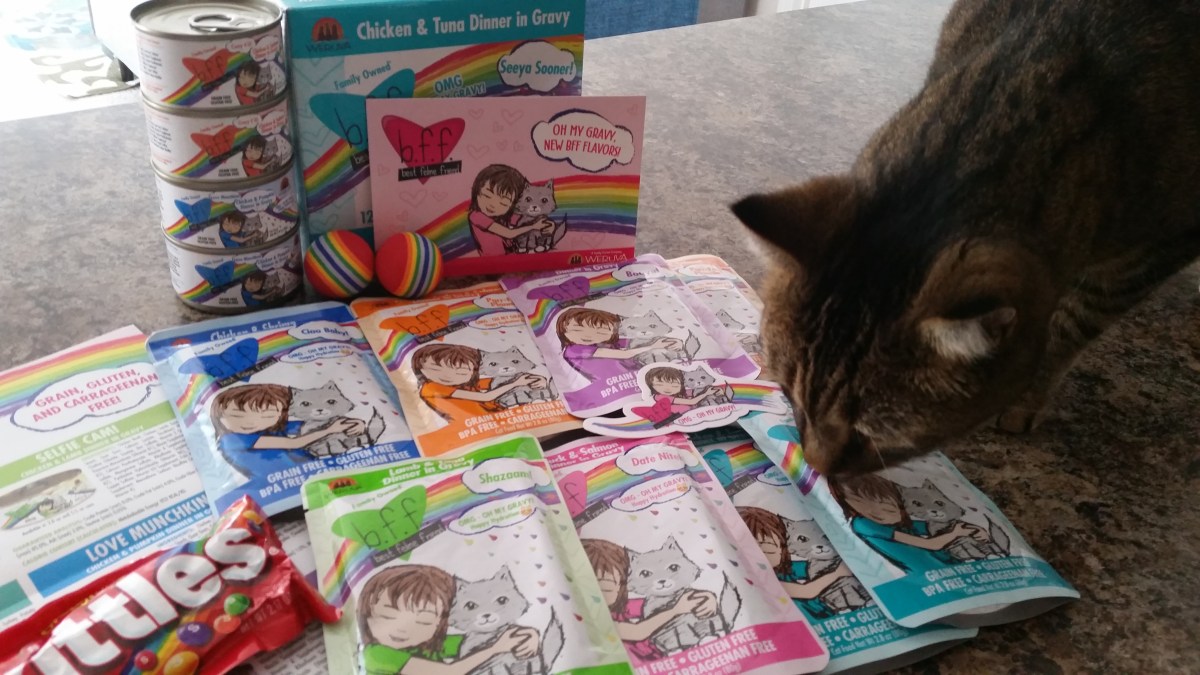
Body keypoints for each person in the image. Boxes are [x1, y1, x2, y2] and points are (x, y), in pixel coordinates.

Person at [359, 565, 537, 675]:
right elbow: (449, 672)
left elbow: (483, 639)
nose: (403, 629)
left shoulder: (430, 643)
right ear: (366, 614)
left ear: (440, 623)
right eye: (388, 617)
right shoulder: (376, 654)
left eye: (423, 621)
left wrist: (529, 635)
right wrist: (495, 649)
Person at [581, 538, 716, 661]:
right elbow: (638, 632)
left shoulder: (620, 606)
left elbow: (666, 602)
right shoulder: (595, 620)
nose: (593, 595)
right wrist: (675, 610)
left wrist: (707, 598)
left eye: (606, 589)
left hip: (655, 657)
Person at [827, 474, 985, 573]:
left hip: (946, 564)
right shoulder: (863, 524)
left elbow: (932, 527)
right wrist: (956, 533)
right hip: (928, 572)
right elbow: (931, 544)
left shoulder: (900, 521)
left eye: (888, 508)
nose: (876, 513)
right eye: (858, 505)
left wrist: (972, 529)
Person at [211, 384, 363, 478]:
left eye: (268, 416)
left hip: (313, 470)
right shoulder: (231, 439)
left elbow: (315, 424)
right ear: (219, 416)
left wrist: (355, 423)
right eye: (237, 416)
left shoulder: (274, 427)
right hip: (276, 484)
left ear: (280, 415)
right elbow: (294, 443)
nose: (251, 422)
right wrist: (330, 430)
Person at [737, 506, 855, 620]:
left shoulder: (785, 567)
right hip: (810, 622)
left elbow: (813, 567)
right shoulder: (761, 580)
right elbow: (807, 591)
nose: (760, 554)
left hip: (827, 614)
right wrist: (838, 573)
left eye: (770, 548)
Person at [411, 344, 545, 425]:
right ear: (421, 370)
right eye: (435, 369)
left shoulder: (466, 384)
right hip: (472, 427)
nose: (448, 375)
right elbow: (486, 397)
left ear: (473, 370)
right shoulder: (431, 388)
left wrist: (536, 379)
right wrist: (516, 383)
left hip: (497, 418)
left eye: (462, 371)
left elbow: (498, 381)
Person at [556, 308, 681, 383]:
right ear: (563, 330)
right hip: (609, 384)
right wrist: (653, 346)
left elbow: (639, 340)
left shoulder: (605, 342)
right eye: (577, 330)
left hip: (637, 375)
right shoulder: (574, 349)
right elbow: (624, 354)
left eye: (601, 331)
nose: (589, 335)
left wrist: (673, 341)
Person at [467, 165, 554, 256]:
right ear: (477, 191)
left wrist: (548, 225)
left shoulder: (508, 215)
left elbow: (530, 219)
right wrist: (534, 226)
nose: (492, 205)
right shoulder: (476, 216)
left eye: (503, 203)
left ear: (513, 205)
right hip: (492, 260)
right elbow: (509, 233)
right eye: (487, 196)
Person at [643, 367, 721, 415]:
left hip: (693, 415)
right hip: (675, 418)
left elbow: (695, 391)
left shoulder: (682, 392)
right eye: (659, 384)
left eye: (674, 385)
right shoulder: (660, 397)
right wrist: (706, 393)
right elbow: (692, 402)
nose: (668, 389)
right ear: (651, 385)